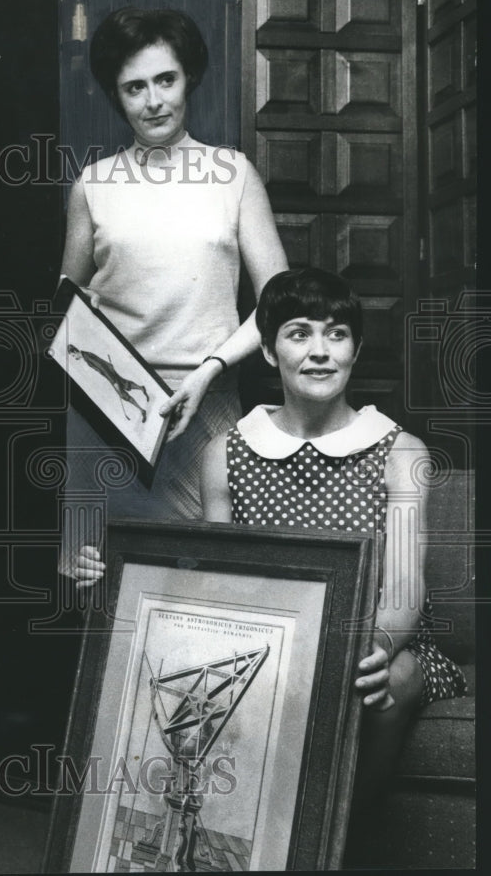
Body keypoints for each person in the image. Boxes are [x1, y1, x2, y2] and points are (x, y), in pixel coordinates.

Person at [77, 269, 466, 823]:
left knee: (389, 680)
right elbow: (215, 577)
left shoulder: (400, 450)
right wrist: (114, 578)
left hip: (372, 641)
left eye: (336, 334)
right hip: (269, 641)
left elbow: (404, 585)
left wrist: (366, 644)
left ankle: (337, 833)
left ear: (356, 349)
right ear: (266, 349)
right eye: (299, 333)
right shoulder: (227, 452)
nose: (320, 352)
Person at [59, 7, 288, 576]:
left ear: (189, 79)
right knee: (105, 582)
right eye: (134, 87)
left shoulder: (233, 174)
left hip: (204, 403)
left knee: (209, 574)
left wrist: (210, 369)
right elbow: (68, 305)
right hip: (109, 417)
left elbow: (280, 302)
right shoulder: (94, 184)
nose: (153, 100)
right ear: (117, 96)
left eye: (166, 79)